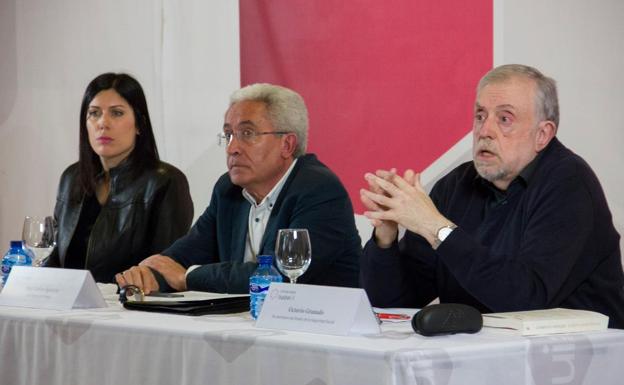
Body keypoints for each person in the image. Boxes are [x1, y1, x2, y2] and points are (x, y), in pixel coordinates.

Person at [360, 64, 624, 328]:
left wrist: (435, 228)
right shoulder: (456, 185)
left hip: (574, 358)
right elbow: (395, 303)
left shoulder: (570, 185)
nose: (485, 131)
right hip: (483, 357)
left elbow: (525, 299)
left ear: (542, 135)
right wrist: (386, 237)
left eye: (504, 119)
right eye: (480, 116)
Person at [116, 83, 361, 294]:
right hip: (248, 326)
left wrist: (187, 278)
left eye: (247, 133)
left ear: (287, 145)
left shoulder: (319, 190)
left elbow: (278, 275)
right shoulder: (228, 190)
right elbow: (184, 254)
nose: (232, 148)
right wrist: (148, 275)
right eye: (228, 135)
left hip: (319, 333)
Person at [44, 73, 194, 283]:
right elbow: (55, 256)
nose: (103, 123)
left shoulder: (165, 182)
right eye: (94, 113)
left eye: (116, 113)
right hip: (70, 307)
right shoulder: (72, 178)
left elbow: (165, 267)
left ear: (139, 124)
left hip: (131, 308)